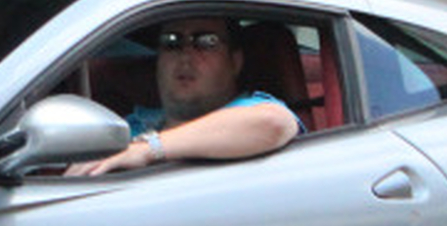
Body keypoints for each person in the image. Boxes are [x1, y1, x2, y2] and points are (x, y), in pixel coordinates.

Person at [74, 16, 302, 176]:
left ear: (235, 62)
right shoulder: (131, 125)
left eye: (206, 42)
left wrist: (148, 149)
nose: (186, 56)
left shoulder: (250, 109)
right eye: (171, 42)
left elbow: (273, 123)